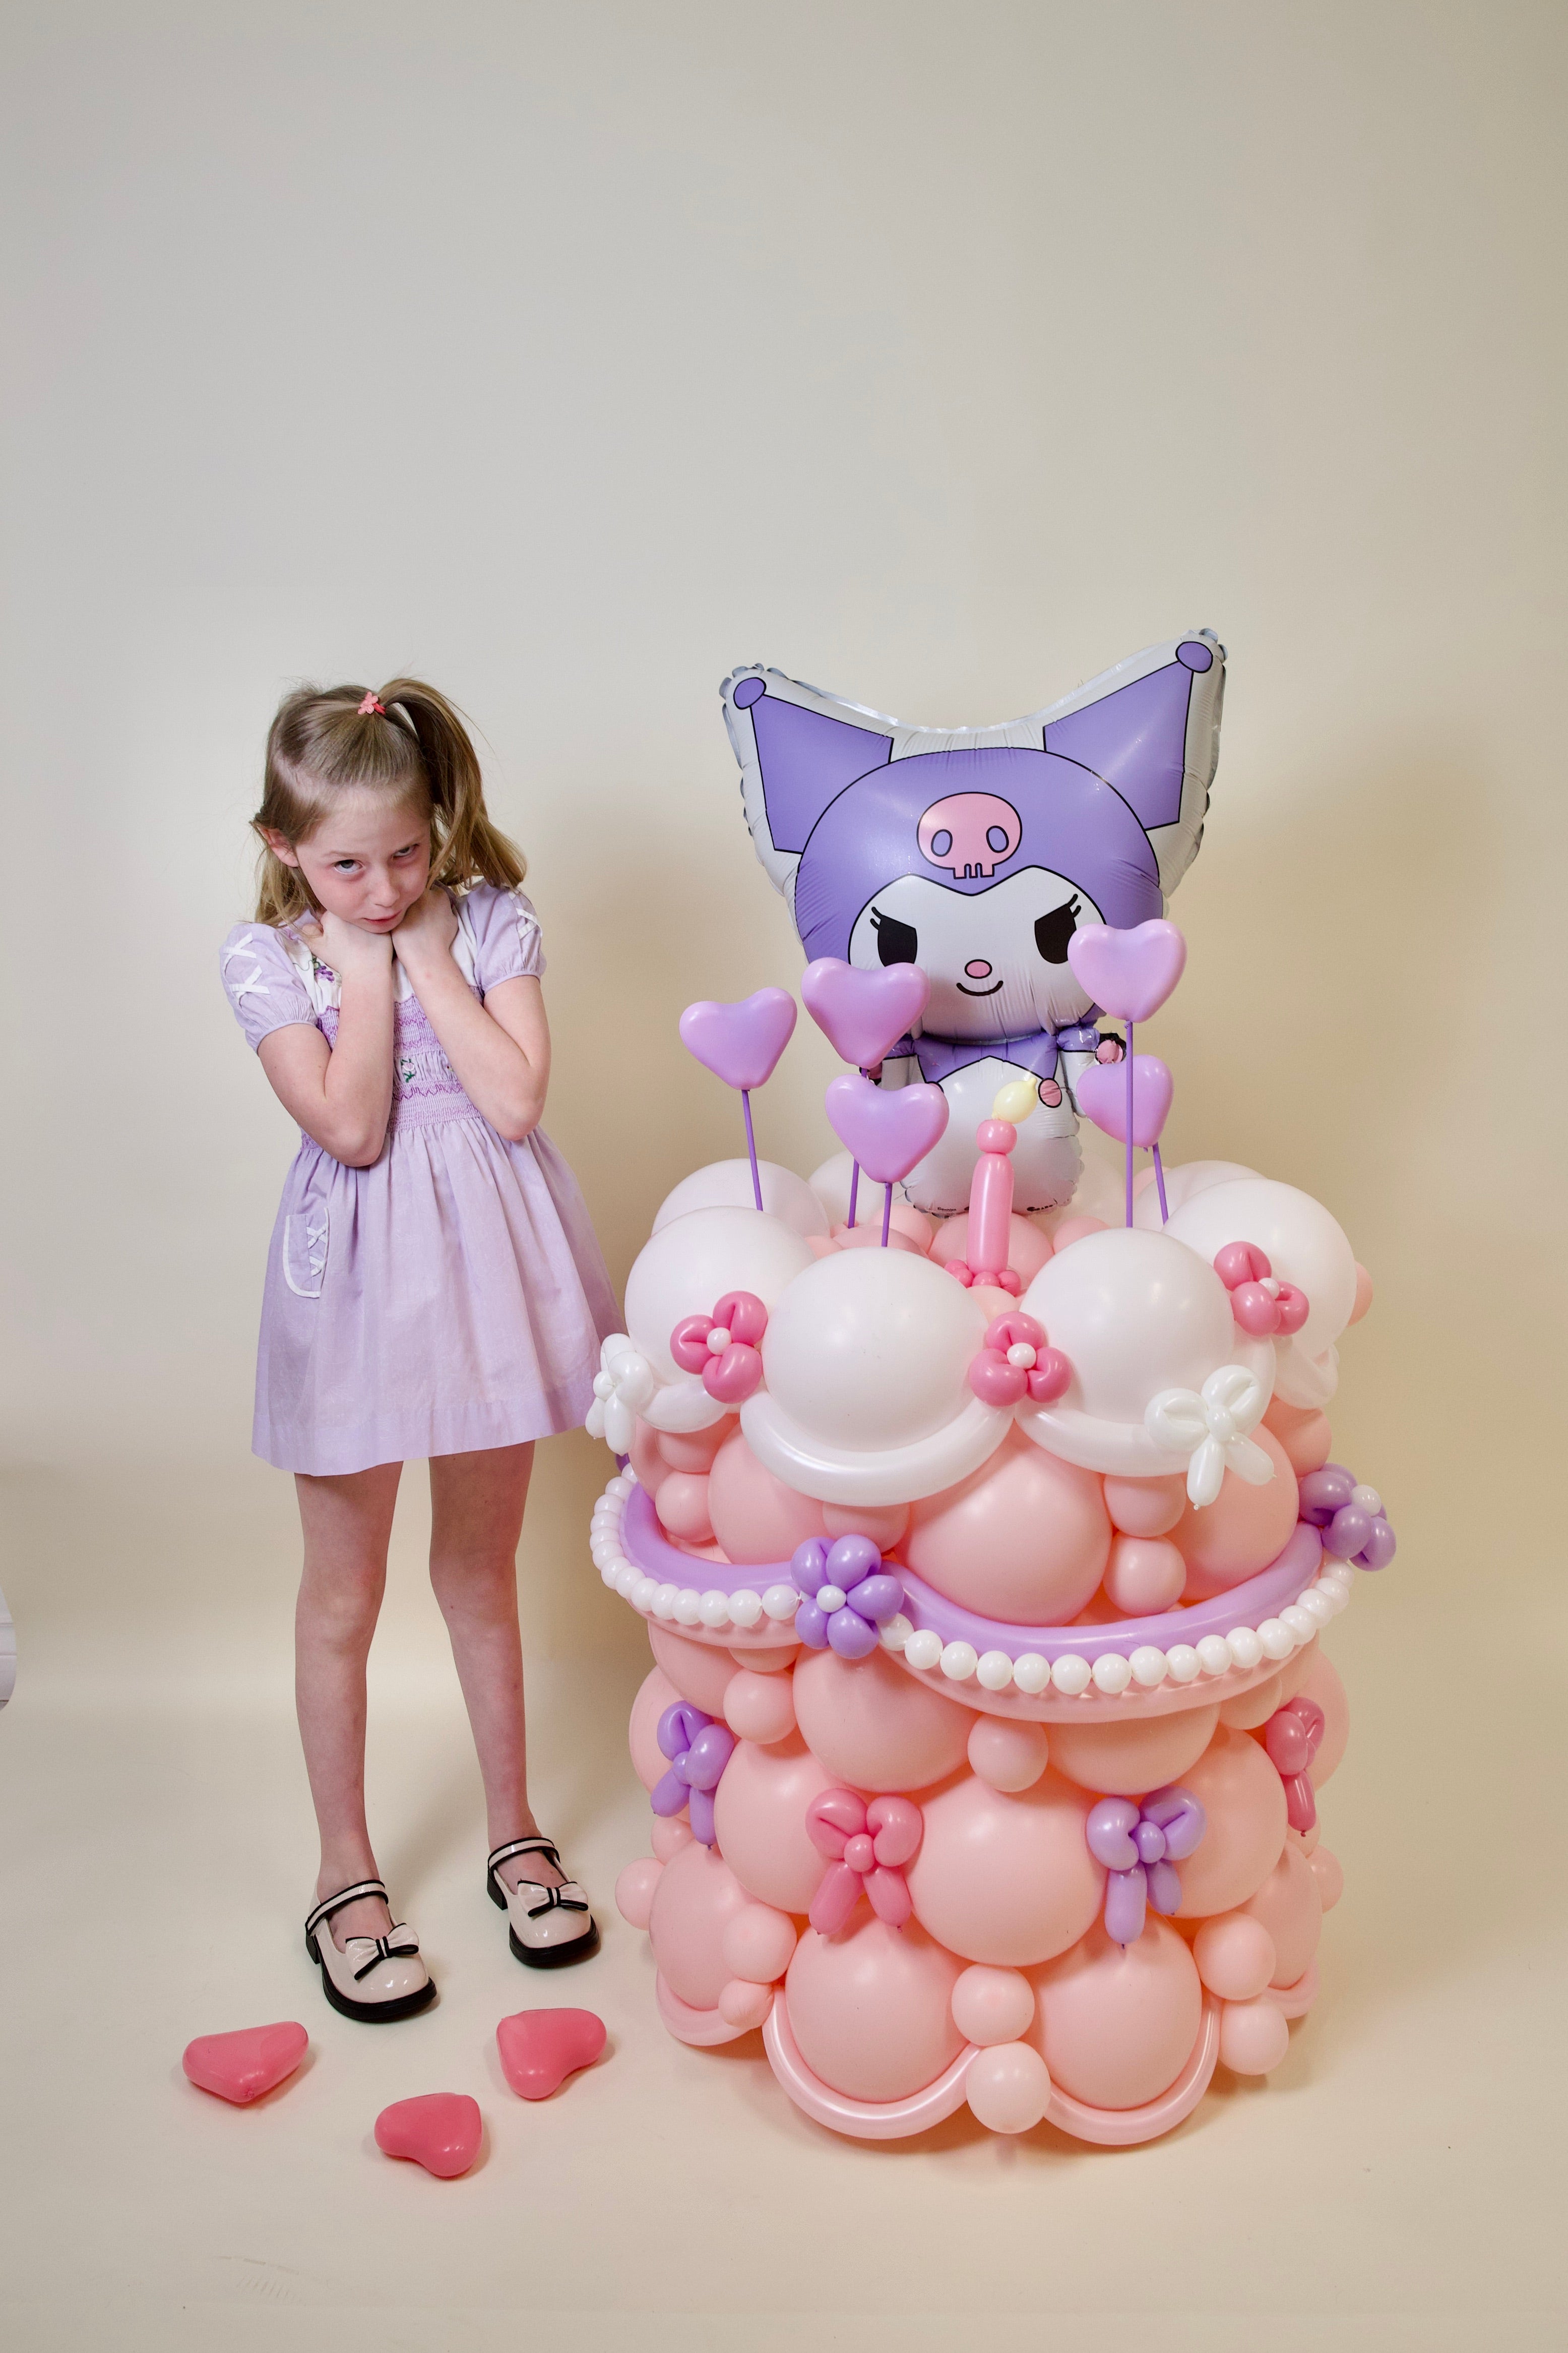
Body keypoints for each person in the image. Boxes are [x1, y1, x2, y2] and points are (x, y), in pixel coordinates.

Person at [220, 679, 617, 2022]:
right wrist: (371, 962)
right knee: (342, 1594)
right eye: (346, 864)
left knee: (479, 1567)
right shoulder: (272, 957)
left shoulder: (490, 920)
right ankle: (348, 1870)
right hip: (352, 1295)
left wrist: (432, 950)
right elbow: (350, 1124)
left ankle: (515, 1828)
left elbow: (511, 1098)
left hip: (487, 1280)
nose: (382, 885)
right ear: (286, 850)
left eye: (404, 854)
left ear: (437, 824)